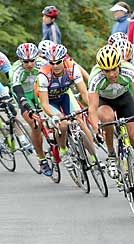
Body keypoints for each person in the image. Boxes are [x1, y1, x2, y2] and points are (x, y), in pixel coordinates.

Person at [88, 44, 134, 204]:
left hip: (124, 99)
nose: (111, 74)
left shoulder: (128, 70)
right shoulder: (95, 77)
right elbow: (92, 109)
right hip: (105, 102)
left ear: (119, 65)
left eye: (114, 69)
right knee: (107, 117)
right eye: (107, 71)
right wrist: (96, 128)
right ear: (101, 69)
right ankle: (111, 154)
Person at [35, 43, 92, 171]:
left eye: (58, 62)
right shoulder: (43, 74)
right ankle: (64, 151)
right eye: (52, 63)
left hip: (64, 95)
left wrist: (91, 107)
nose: (55, 65)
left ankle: (93, 158)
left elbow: (84, 92)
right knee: (63, 124)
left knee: (79, 119)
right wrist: (56, 116)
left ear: (64, 59)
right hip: (49, 101)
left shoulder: (72, 67)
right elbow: (44, 104)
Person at [10, 43, 53, 176]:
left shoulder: (43, 64)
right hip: (24, 95)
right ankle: (42, 158)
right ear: (20, 60)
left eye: (32, 60)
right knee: (36, 125)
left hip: (39, 91)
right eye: (26, 61)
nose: (29, 64)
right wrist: (28, 108)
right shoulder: (15, 70)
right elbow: (19, 92)